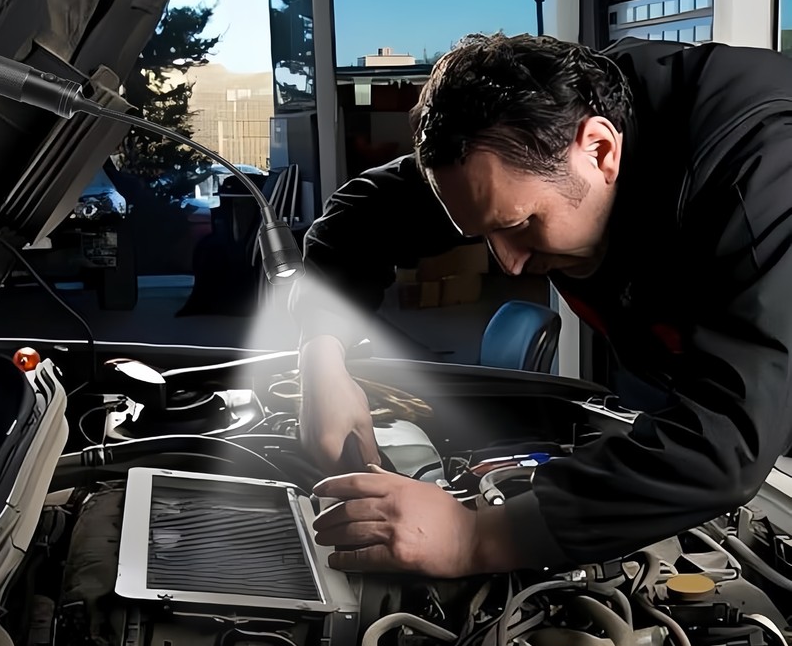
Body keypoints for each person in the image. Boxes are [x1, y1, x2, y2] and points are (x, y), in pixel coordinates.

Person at [290, 32, 792, 578]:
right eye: (482, 234)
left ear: (600, 151)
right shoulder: (519, 141)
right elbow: (356, 221)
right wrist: (322, 361)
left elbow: (726, 445)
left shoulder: (759, 177)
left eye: (521, 225)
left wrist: (474, 539)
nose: (508, 264)